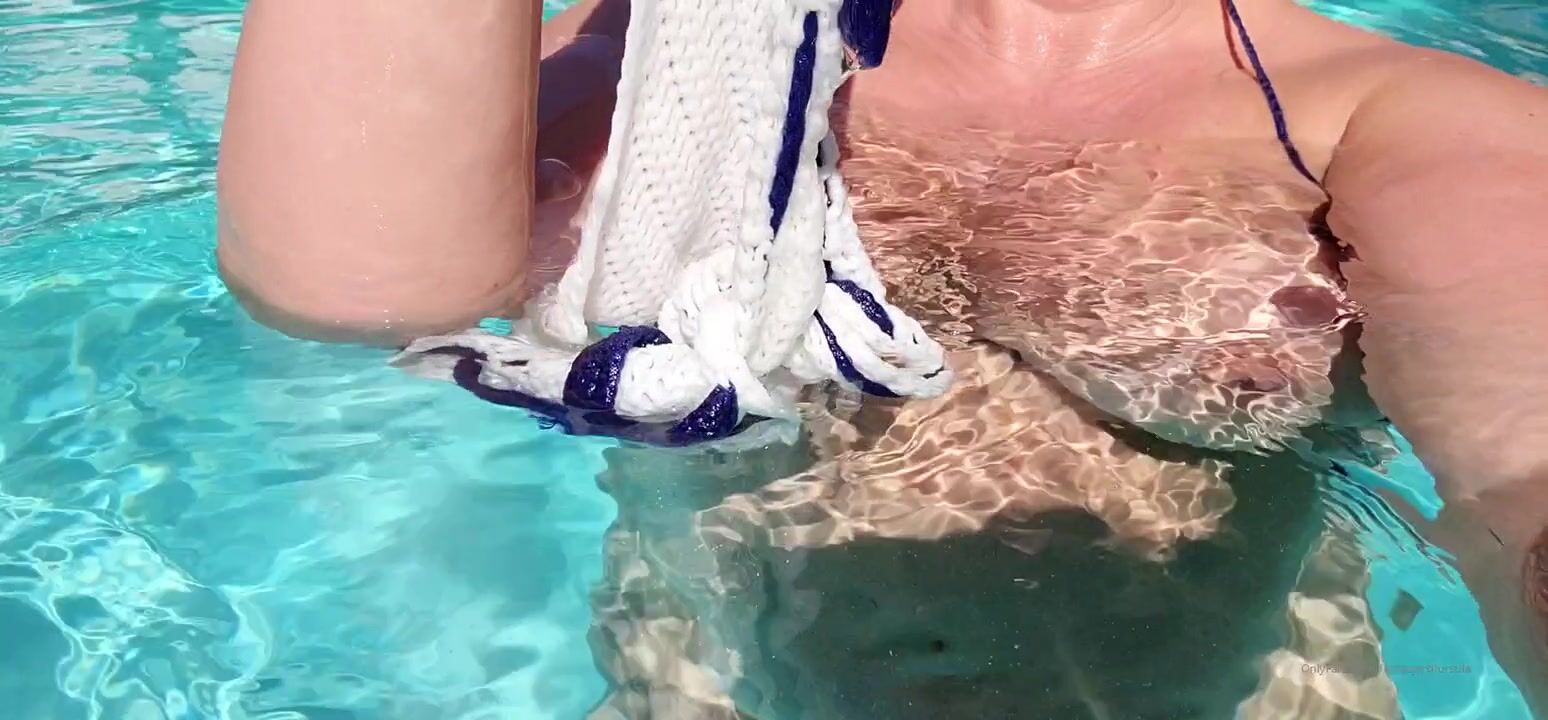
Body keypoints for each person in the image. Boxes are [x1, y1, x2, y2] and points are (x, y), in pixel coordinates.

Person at [215, 0, 1548, 714]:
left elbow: (1527, 481)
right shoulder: (649, 77)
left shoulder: (1397, 124)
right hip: (711, 686)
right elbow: (360, 297)